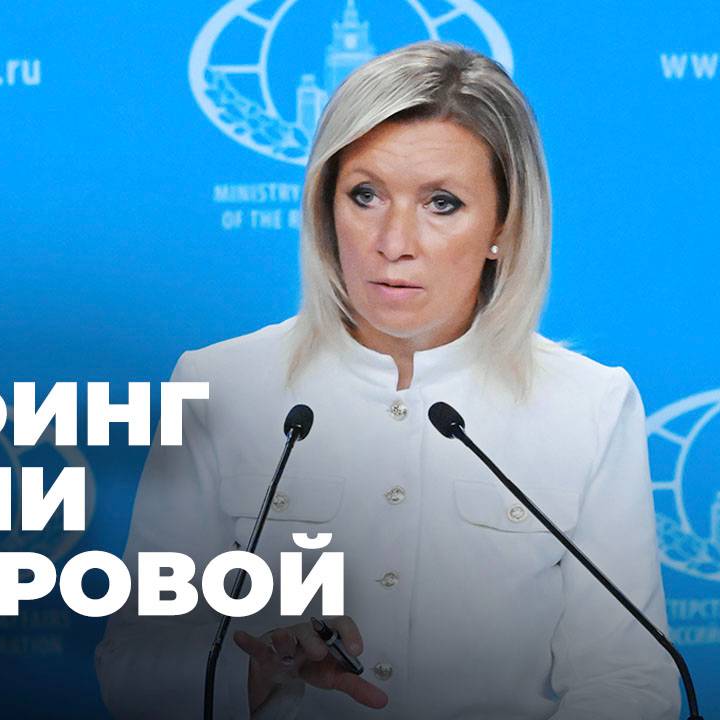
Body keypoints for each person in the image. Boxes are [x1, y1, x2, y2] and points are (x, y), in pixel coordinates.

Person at [95, 40, 680, 719]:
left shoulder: (590, 404)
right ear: (325, 206)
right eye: (365, 195)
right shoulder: (217, 386)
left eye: (442, 203)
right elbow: (134, 668)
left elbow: (629, 678)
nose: (394, 242)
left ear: (504, 225)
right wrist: (254, 674)